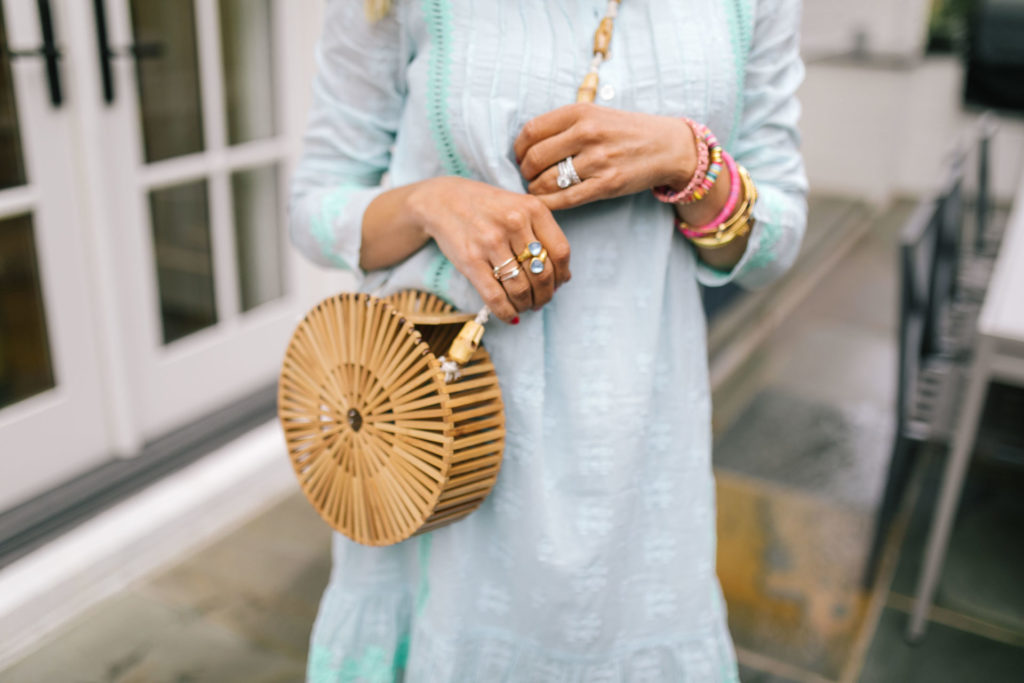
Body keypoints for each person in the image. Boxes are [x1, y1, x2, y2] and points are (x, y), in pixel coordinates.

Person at [289, 0, 807, 680]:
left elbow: (777, 236)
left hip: (640, 458)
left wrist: (690, 162)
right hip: (442, 435)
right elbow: (316, 202)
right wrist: (430, 204)